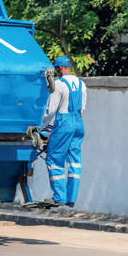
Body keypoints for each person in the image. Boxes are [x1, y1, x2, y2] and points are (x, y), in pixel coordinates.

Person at [41, 56, 87, 207]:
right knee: (74, 161)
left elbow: (51, 110)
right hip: (78, 123)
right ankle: (71, 198)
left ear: (59, 69)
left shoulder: (59, 84)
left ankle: (60, 197)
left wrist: (42, 126)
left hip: (64, 124)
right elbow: (83, 107)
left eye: (56, 69)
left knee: (54, 159)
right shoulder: (81, 83)